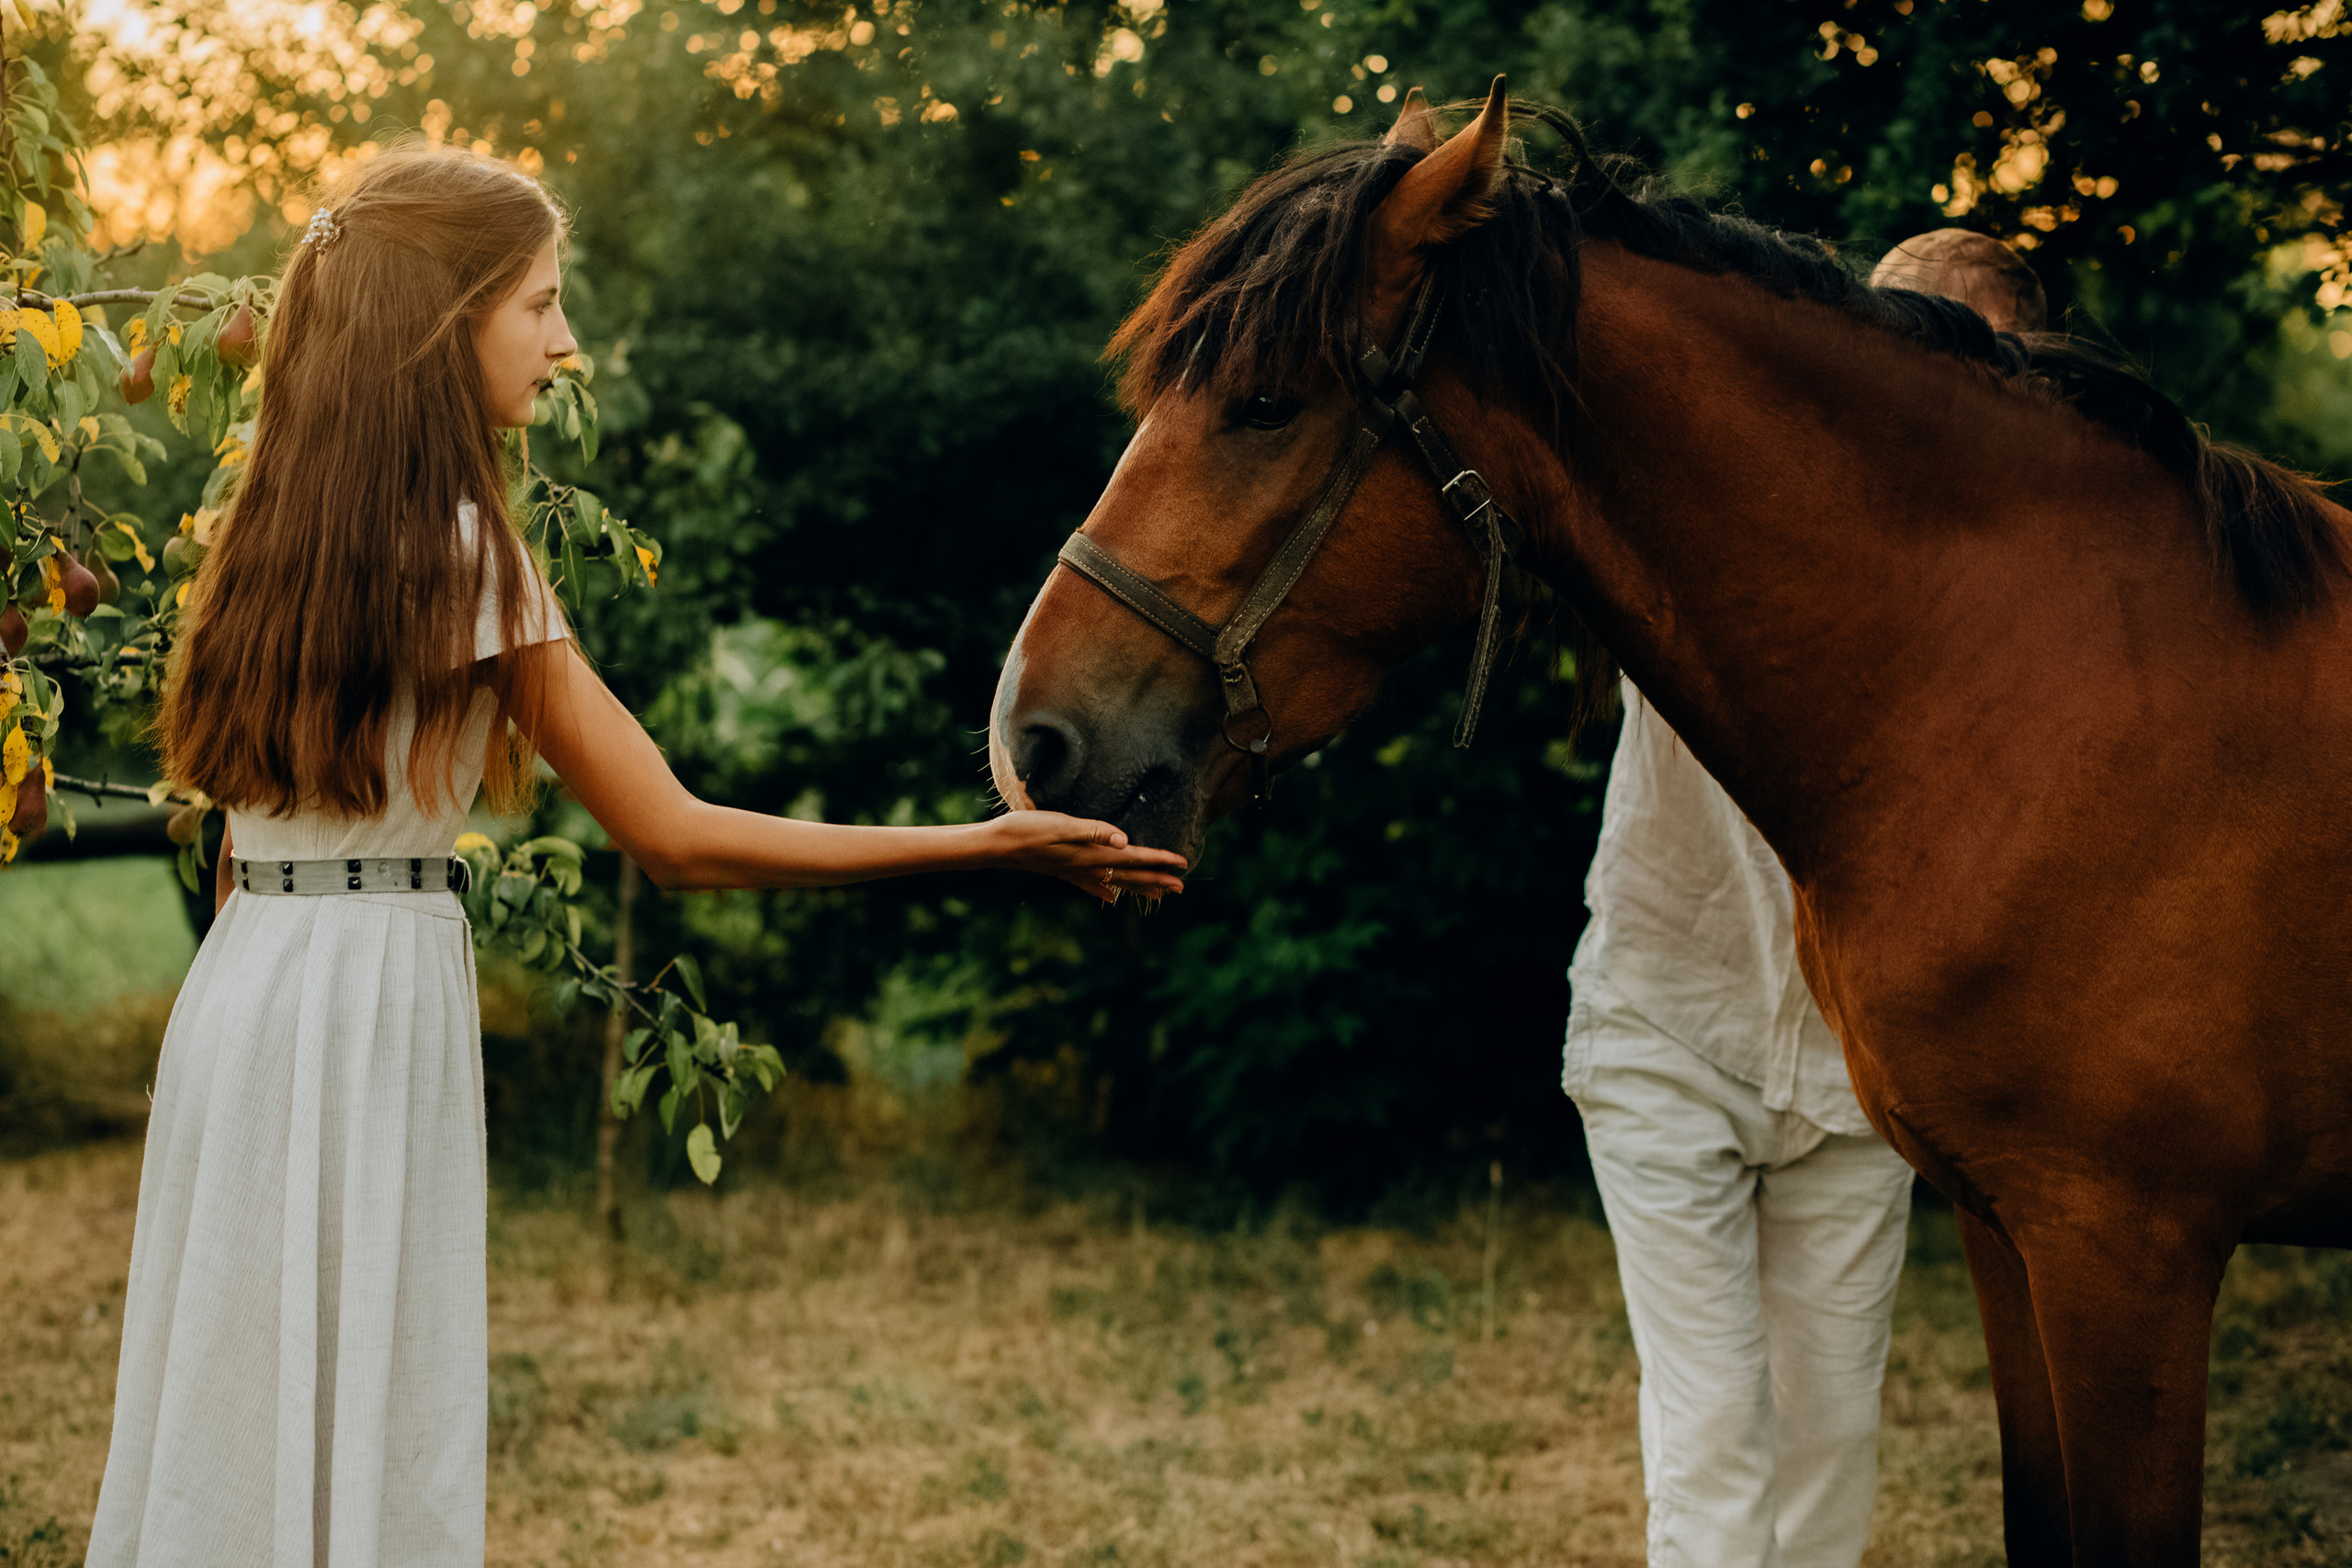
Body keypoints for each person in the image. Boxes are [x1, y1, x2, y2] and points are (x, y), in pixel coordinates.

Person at [85, 144, 1187, 1566]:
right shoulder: (469, 547)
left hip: (246, 997)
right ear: (444, 322)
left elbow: (242, 843)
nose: (566, 344)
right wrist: (979, 845)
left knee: (234, 1393)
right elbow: (671, 836)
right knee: (358, 1393)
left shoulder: (268, 533)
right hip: (361, 1001)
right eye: (539, 306)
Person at [1562, 229, 2045, 1568]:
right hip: (1667, 1028)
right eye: (1886, 336)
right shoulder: (1720, 509)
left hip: (1855, 1071)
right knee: (1713, 1450)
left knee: (1830, 1456)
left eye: (1960, 354)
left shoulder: (2028, 603)